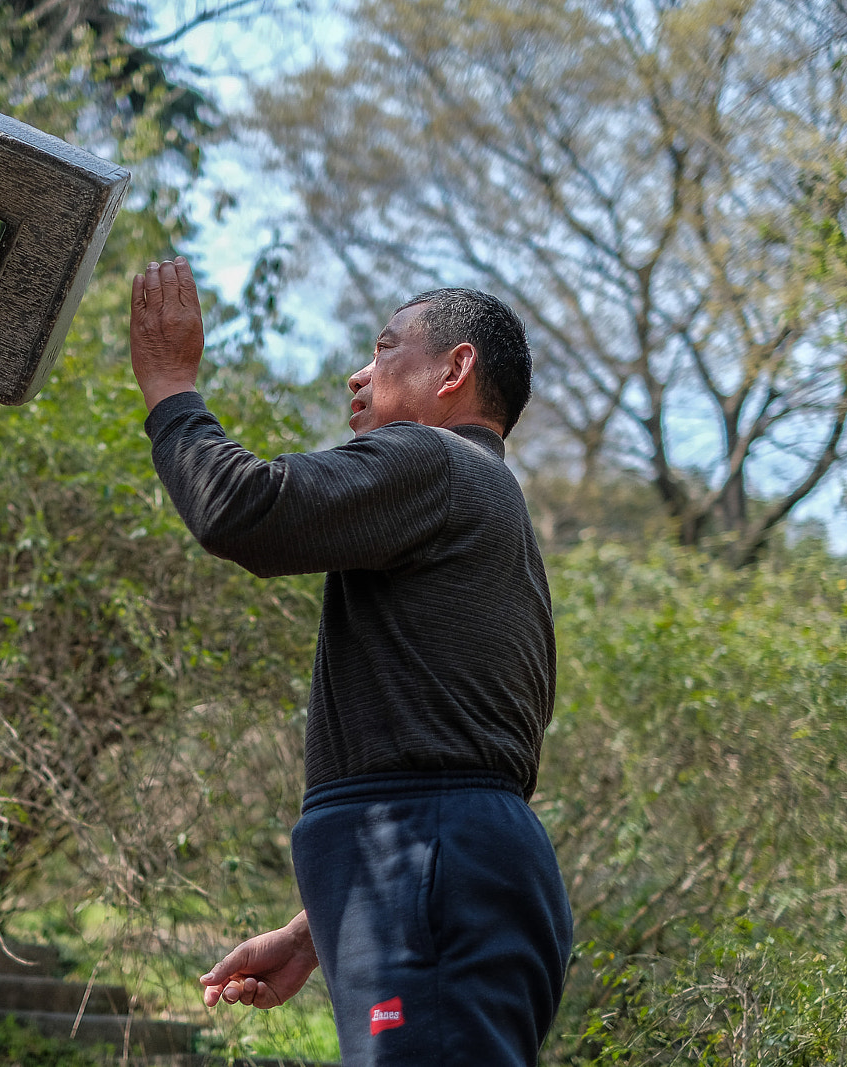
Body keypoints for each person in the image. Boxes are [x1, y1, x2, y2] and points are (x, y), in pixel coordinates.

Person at [128, 257, 573, 1066]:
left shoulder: (435, 461)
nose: (356, 372)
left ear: (455, 368)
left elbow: (243, 509)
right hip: (436, 868)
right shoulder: (491, 511)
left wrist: (168, 384)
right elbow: (459, 755)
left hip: (423, 865)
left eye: (384, 347)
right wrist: (320, 924)